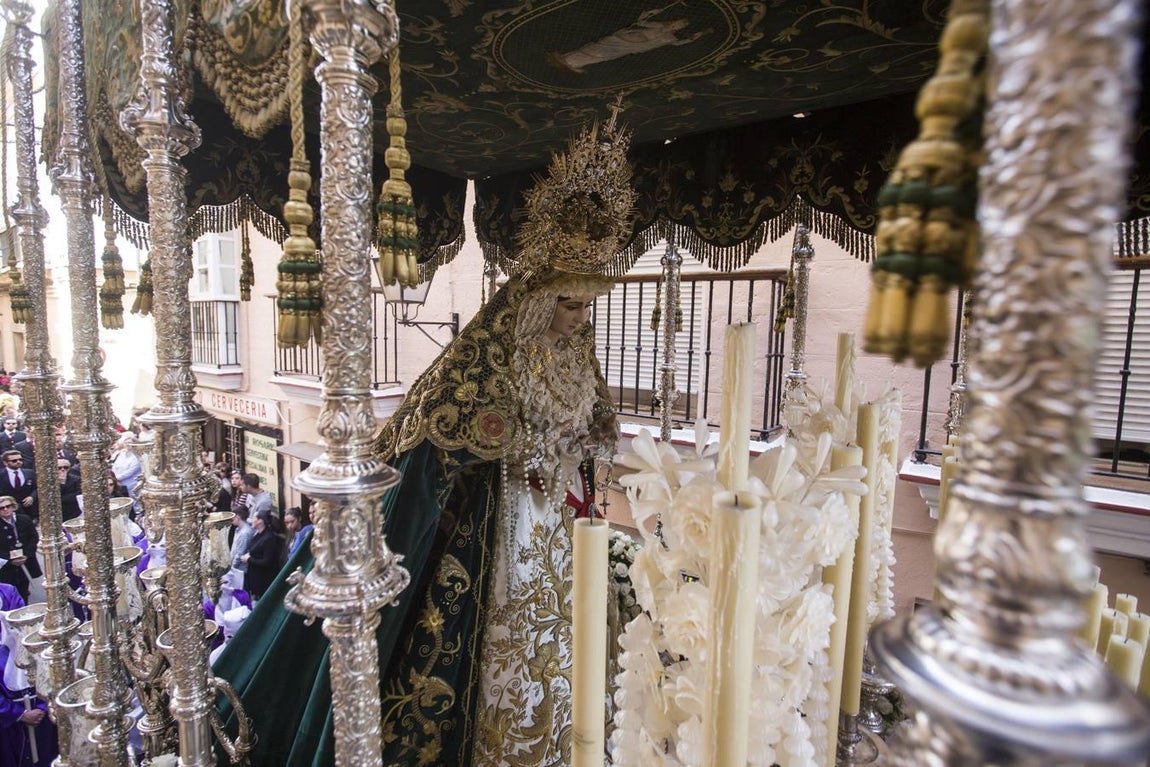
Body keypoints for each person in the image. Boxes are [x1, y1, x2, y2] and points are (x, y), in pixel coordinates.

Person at [0, 497, 40, 603]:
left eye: (7, 506)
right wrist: (10, 560)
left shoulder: (24, 519)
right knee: (8, 593)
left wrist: (26, 555)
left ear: (13, 507)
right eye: (1, 508)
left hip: (25, 561)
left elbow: (33, 538)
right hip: (5, 567)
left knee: (23, 590)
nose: (5, 509)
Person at [239, 509, 285, 600]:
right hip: (256, 579)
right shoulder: (259, 535)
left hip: (264, 581)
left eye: (254, 518)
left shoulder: (269, 538)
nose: (251, 520)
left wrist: (249, 559)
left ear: (260, 521)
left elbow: (267, 561)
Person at [0, 453, 36, 524]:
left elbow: (36, 488)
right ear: (5, 462)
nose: (18, 462)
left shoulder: (30, 473)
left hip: (29, 511)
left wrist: (32, 497)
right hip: (7, 512)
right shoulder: (1, 475)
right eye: (14, 460)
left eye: (20, 460)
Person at [229, 507, 253, 579]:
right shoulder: (238, 530)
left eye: (232, 518)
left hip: (240, 569)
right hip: (236, 567)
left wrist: (232, 568)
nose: (231, 520)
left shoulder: (245, 533)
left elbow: (240, 553)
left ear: (238, 517)